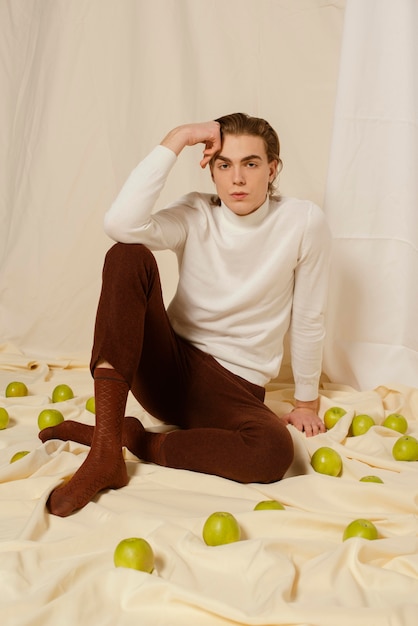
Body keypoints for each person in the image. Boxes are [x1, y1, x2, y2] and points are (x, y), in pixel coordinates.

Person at [39, 112, 331, 517]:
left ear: (273, 168)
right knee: (126, 254)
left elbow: (309, 314)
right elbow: (120, 223)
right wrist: (178, 138)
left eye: (251, 164)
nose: (238, 179)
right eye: (224, 165)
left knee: (273, 452)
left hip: (234, 390)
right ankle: (106, 452)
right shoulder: (196, 212)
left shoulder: (302, 222)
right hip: (168, 366)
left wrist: (307, 401)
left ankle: (137, 440)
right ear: (211, 170)